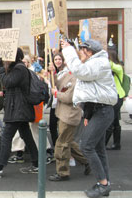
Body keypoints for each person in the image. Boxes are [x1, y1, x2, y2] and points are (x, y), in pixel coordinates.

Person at [61, 39, 117, 197]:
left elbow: (81, 73)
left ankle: (103, 184)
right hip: (99, 110)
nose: (79, 54)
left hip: (103, 111)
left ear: (89, 51)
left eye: (81, 51)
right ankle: (104, 183)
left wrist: (68, 50)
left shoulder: (98, 63)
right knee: (98, 149)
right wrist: (88, 115)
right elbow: (92, 93)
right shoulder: (95, 62)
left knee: (86, 145)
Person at [0, 48, 39, 178]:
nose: (4, 59)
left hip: (18, 108)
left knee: (6, 136)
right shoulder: (17, 68)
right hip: (18, 108)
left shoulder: (19, 68)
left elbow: (8, 82)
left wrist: (0, 67)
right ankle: (37, 164)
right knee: (27, 136)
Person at [48, 53, 90, 182]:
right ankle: (88, 161)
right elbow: (58, 83)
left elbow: (68, 98)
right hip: (64, 114)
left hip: (70, 114)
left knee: (62, 143)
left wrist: (56, 94)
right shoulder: (69, 74)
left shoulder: (77, 78)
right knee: (68, 141)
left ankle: (62, 172)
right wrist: (51, 73)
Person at [105, 50, 125, 150]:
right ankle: (117, 144)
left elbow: (110, 65)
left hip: (117, 96)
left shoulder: (118, 67)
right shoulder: (112, 67)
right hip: (113, 96)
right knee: (116, 120)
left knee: (110, 120)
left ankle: (103, 144)